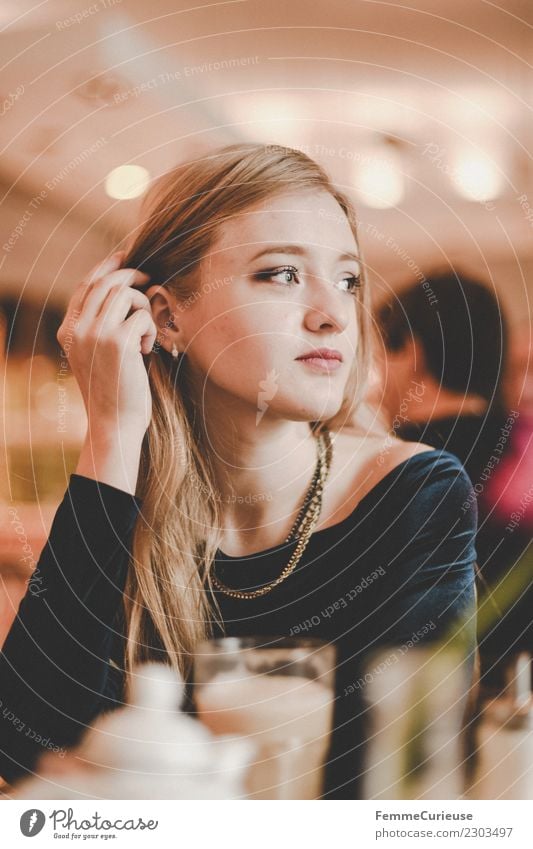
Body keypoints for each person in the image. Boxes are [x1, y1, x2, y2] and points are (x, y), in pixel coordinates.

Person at [0, 143, 477, 799]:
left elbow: (399, 776)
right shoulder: (120, 502)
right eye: (281, 274)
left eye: (347, 279)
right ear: (166, 317)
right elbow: (30, 748)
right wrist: (111, 433)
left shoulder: (416, 495)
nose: (332, 314)